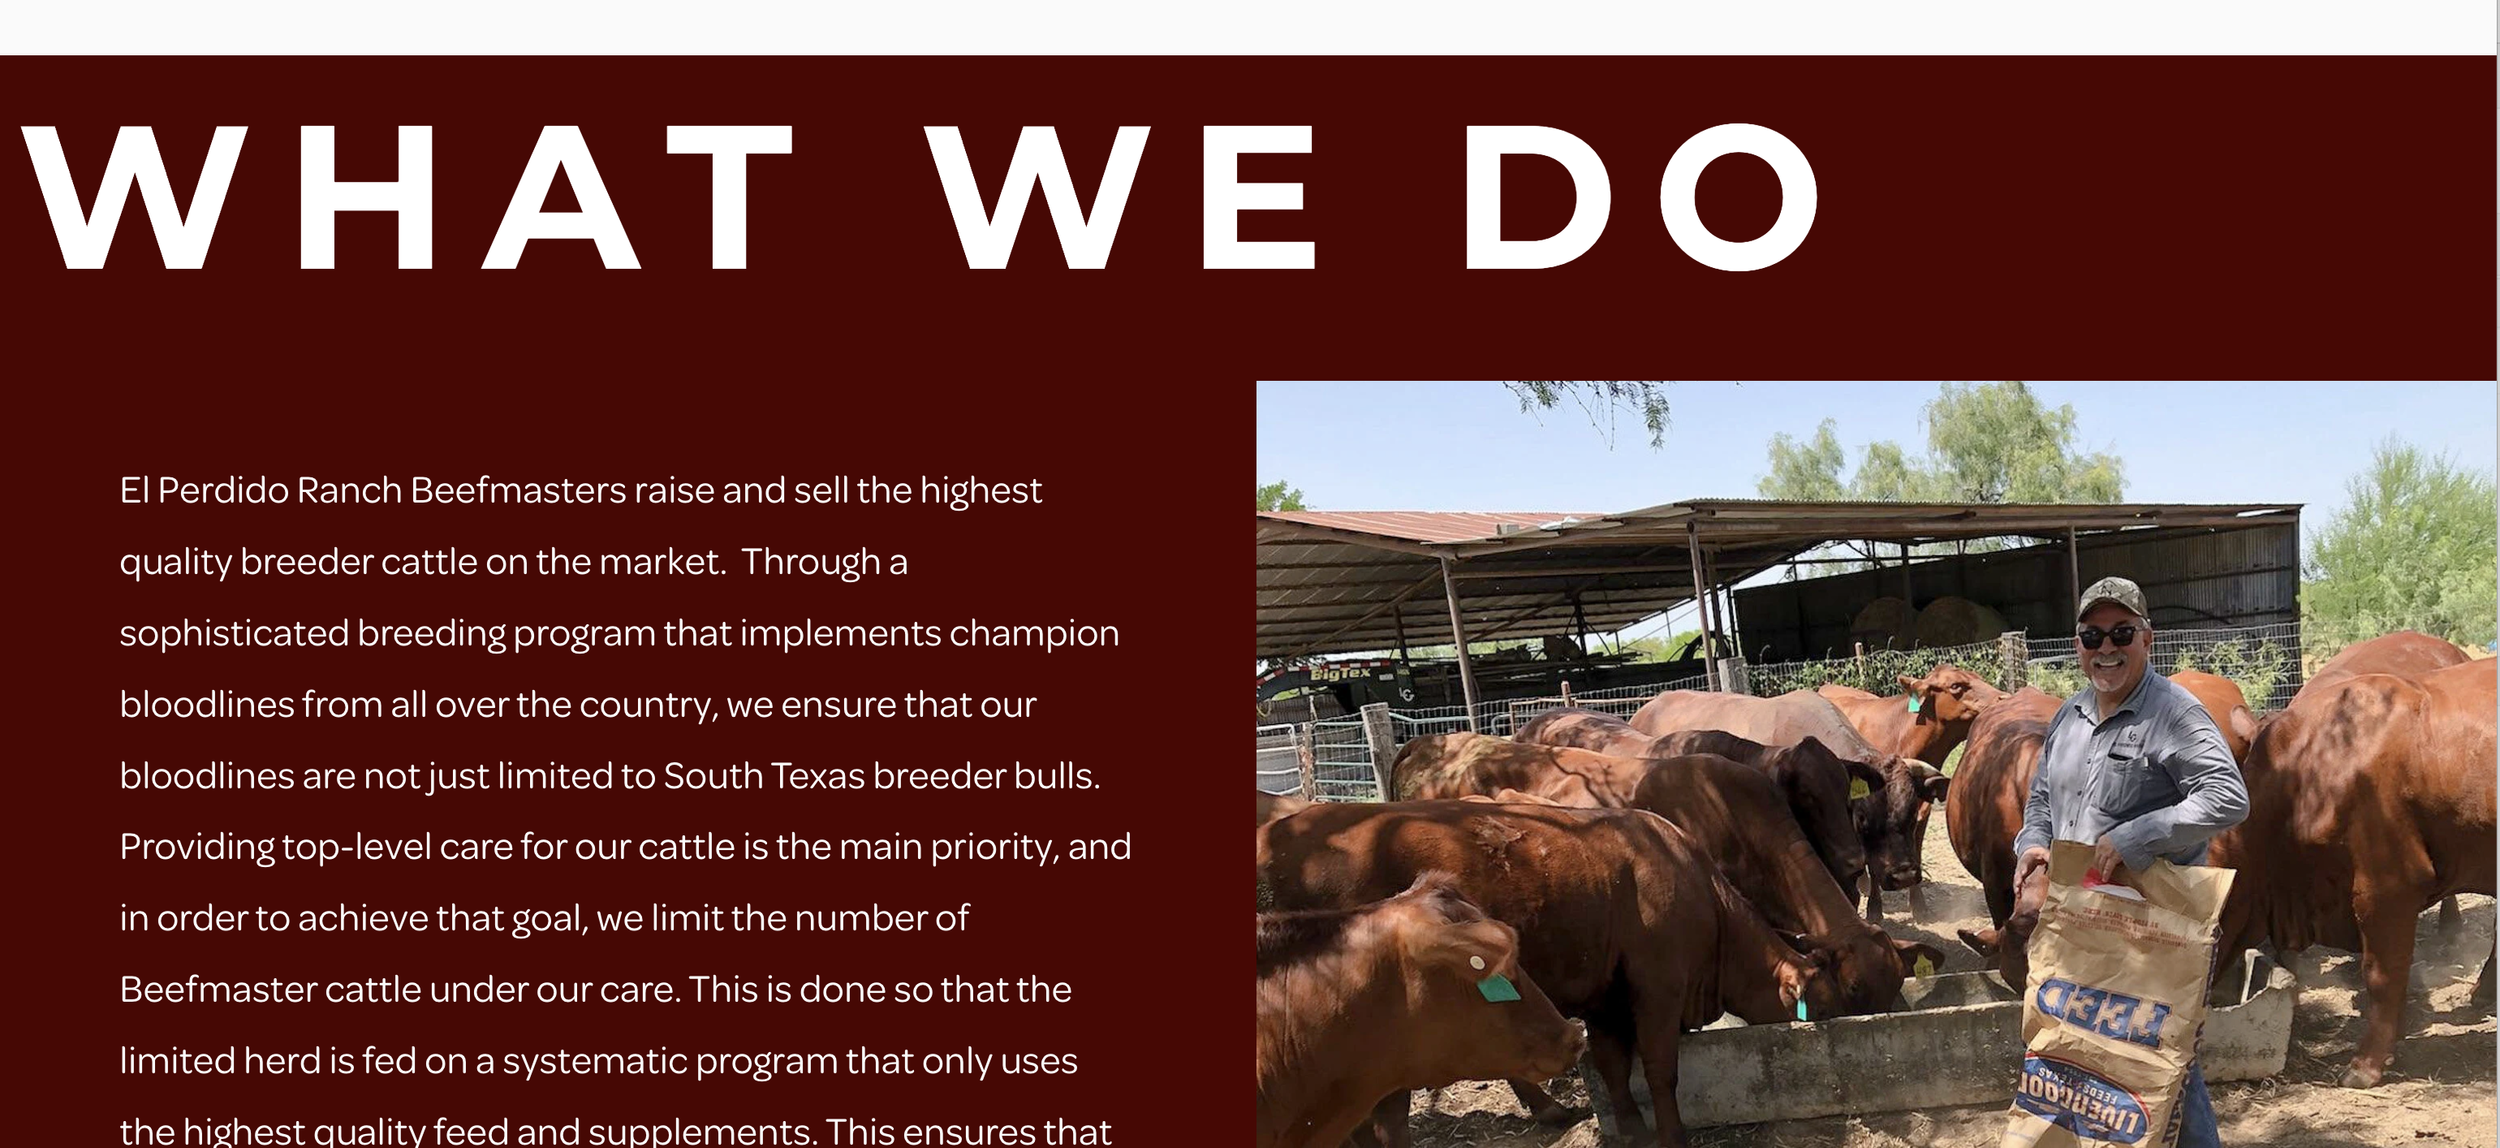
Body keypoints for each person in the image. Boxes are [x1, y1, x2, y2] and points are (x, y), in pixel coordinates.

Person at [2011, 576, 2249, 1148]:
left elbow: (2227, 796)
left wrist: (2137, 836)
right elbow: (2043, 798)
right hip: (2076, 922)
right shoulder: (2069, 716)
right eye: (2093, 636)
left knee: (2158, 1062)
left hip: (2151, 929)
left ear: (2147, 638)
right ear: (2078, 645)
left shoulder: (2172, 712)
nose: (2106, 649)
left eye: (2121, 633)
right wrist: (2033, 844)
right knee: (2083, 1062)